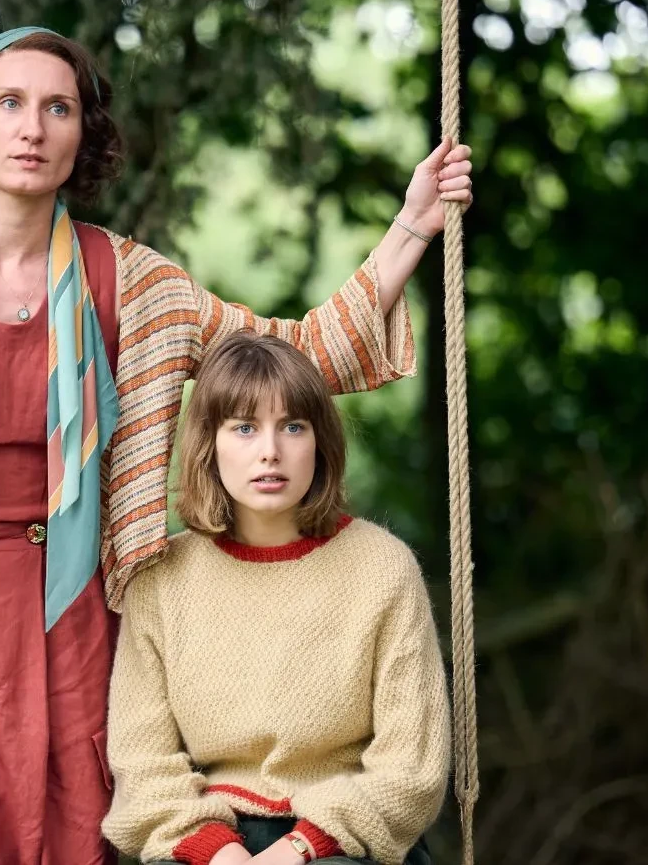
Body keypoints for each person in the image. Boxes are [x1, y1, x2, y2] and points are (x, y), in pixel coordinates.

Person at [0, 25, 473, 864]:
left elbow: (298, 358)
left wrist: (410, 227)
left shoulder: (130, 282)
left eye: (58, 107)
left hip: (71, 615)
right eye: (10, 103)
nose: (33, 127)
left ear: (83, 135)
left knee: (65, 837)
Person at [102, 332, 450, 865]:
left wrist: (299, 849)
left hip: (343, 841)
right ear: (209, 445)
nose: (271, 451)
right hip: (207, 841)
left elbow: (411, 768)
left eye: (293, 426)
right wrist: (221, 854)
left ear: (320, 441)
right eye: (244, 428)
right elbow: (143, 762)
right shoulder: (161, 578)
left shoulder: (383, 569)